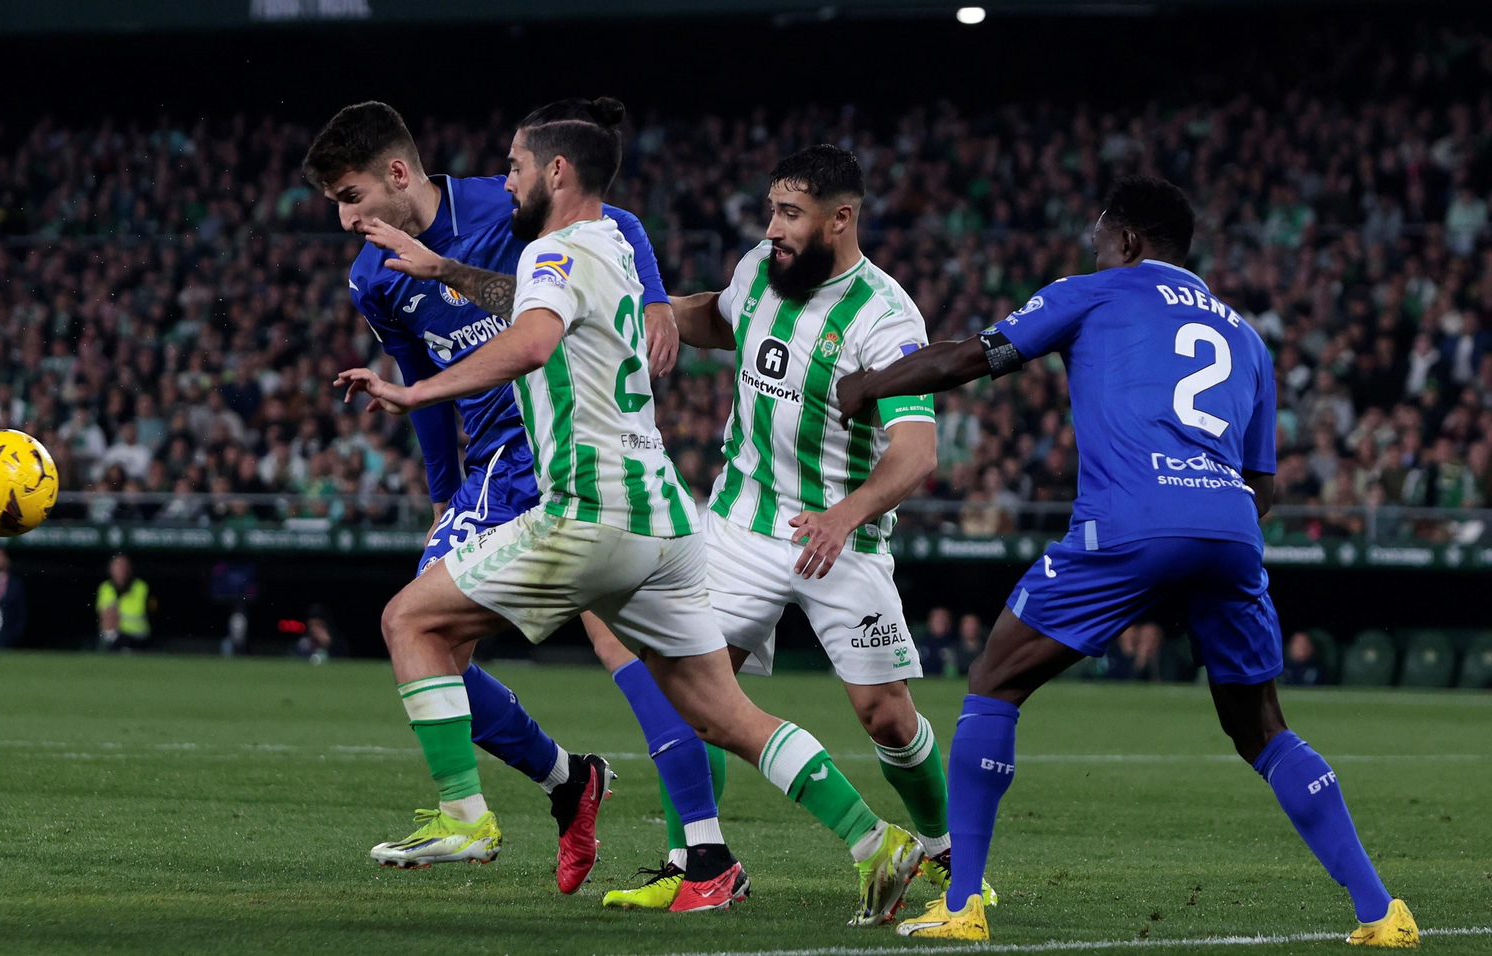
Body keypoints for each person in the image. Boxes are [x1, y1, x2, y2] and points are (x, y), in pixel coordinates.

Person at [335, 98, 922, 922]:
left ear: (557, 171)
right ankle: (876, 842)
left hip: (589, 514)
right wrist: (443, 273)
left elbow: (532, 340)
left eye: (515, 166)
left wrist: (414, 392)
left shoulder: (551, 254)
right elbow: (531, 306)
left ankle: (465, 815)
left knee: (409, 622)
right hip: (667, 522)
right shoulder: (610, 243)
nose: (506, 182)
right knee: (725, 714)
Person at [838, 175, 1416, 946]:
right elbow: (1266, 488)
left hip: (1130, 519)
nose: (1096, 253)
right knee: (1262, 727)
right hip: (1231, 527)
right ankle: (1382, 912)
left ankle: (963, 903)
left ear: (1129, 241)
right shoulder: (1246, 337)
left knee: (995, 681)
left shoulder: (1091, 293)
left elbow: (968, 359)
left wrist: (868, 386)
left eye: (1101, 241)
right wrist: (1196, 541)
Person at [304, 100, 711, 895]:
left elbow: (616, 220)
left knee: (430, 629)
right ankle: (587, 791)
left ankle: (639, 830)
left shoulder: (502, 202)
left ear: (398, 173)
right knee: (439, 642)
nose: (346, 219)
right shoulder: (372, 278)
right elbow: (422, 380)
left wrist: (657, 299)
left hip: (553, 446)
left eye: (352, 197)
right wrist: (441, 496)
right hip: (491, 465)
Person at [625, 144, 986, 911]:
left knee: (886, 717)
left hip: (841, 540)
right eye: (772, 210)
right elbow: (719, 317)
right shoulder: (762, 268)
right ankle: (698, 861)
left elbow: (916, 452)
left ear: (841, 218)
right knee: (690, 687)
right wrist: (654, 311)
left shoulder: (886, 317)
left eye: (790, 213)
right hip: (740, 525)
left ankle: (944, 852)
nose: (772, 227)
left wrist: (845, 515)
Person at [96, 553, 154, 651]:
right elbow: (104, 618)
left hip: (138, 636)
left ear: (130, 569)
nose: (121, 571)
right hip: (115, 635)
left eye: (124, 567)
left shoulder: (141, 587)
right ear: (110, 569)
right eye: (117, 567)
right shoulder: (105, 588)